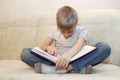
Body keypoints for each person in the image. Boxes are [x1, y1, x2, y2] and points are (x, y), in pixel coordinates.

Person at [21, 6, 111, 74]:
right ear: (58, 25)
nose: (66, 34)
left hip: (75, 59)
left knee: (104, 47)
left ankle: (64, 68)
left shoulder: (82, 30)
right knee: (25, 53)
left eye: (70, 31)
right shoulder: (54, 31)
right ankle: (78, 68)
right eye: (62, 31)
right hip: (57, 61)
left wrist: (67, 55)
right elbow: (42, 46)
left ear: (76, 23)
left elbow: (79, 45)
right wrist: (48, 47)